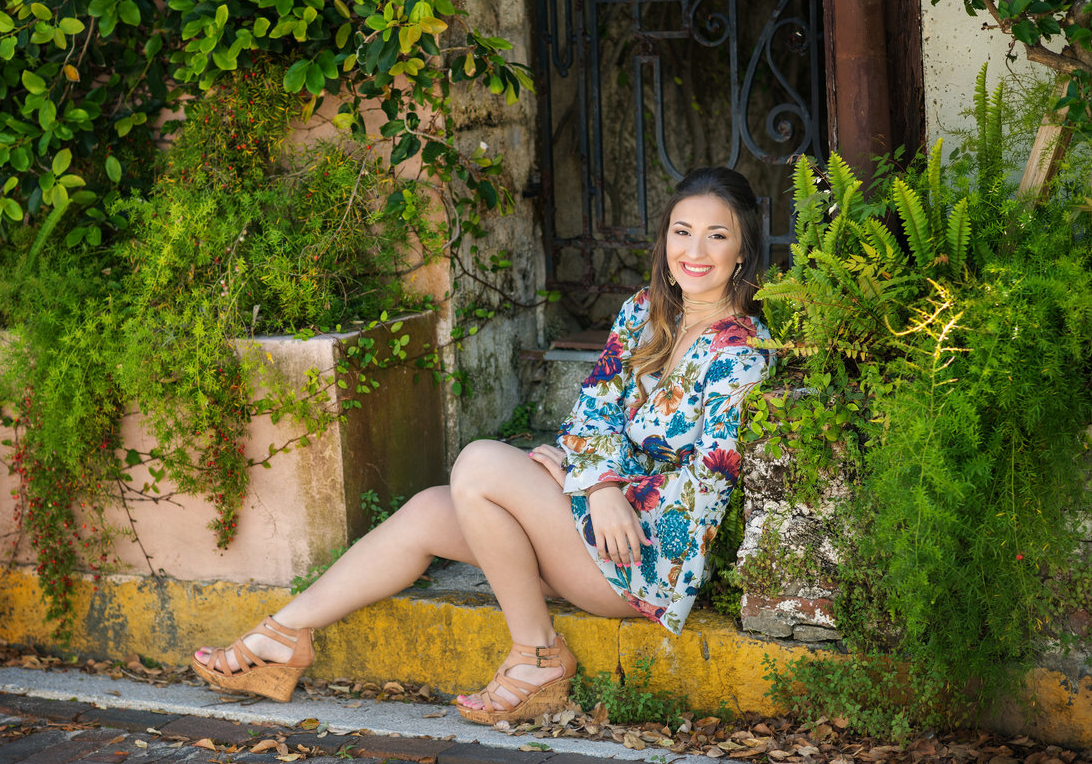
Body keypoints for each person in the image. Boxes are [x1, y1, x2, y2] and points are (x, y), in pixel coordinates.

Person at [191, 166, 772, 725]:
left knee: (479, 464)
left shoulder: (742, 352)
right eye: (682, 231)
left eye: (716, 235)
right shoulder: (644, 313)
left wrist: (597, 483)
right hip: (594, 518)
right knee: (429, 511)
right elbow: (594, 411)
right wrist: (590, 478)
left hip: (638, 559)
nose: (694, 250)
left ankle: (539, 655)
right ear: (665, 239)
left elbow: (706, 485)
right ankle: (284, 636)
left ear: (742, 249)